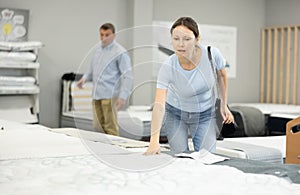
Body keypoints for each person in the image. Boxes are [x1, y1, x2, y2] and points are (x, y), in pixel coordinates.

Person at [144, 17, 234, 155]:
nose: (181, 44)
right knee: (181, 157)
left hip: (204, 114)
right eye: (176, 39)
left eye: (187, 39)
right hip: (176, 114)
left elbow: (222, 76)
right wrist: (154, 141)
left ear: (197, 39)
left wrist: (223, 104)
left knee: (207, 158)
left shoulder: (211, 54)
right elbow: (159, 104)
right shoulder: (168, 66)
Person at [77, 23, 133, 136]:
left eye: (107, 35)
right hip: (97, 93)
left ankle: (113, 151)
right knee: (97, 126)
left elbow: (128, 76)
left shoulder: (120, 52)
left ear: (114, 35)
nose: (103, 38)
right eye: (101, 35)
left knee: (110, 128)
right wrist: (84, 79)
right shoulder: (98, 49)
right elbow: (92, 70)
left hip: (110, 94)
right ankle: (102, 150)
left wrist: (123, 97)